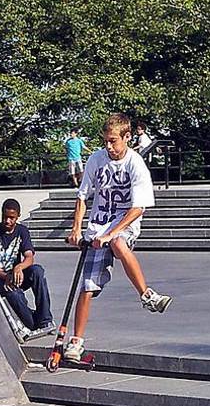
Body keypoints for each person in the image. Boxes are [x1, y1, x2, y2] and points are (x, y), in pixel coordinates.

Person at [64, 113, 172, 362]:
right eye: (106, 142)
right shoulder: (96, 159)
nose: (109, 147)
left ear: (127, 137)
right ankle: (76, 341)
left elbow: (139, 208)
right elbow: (82, 196)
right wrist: (76, 230)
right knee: (87, 286)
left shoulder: (135, 164)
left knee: (118, 242)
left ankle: (146, 295)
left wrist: (112, 232)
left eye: (113, 141)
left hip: (125, 223)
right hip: (99, 226)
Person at [0, 198, 54, 333]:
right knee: (13, 292)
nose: (7, 221)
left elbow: (29, 257)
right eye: (5, 217)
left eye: (11, 218)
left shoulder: (22, 231)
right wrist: (7, 276)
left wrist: (18, 267)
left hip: (15, 274)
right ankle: (32, 323)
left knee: (38, 271)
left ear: (18, 216)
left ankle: (45, 320)